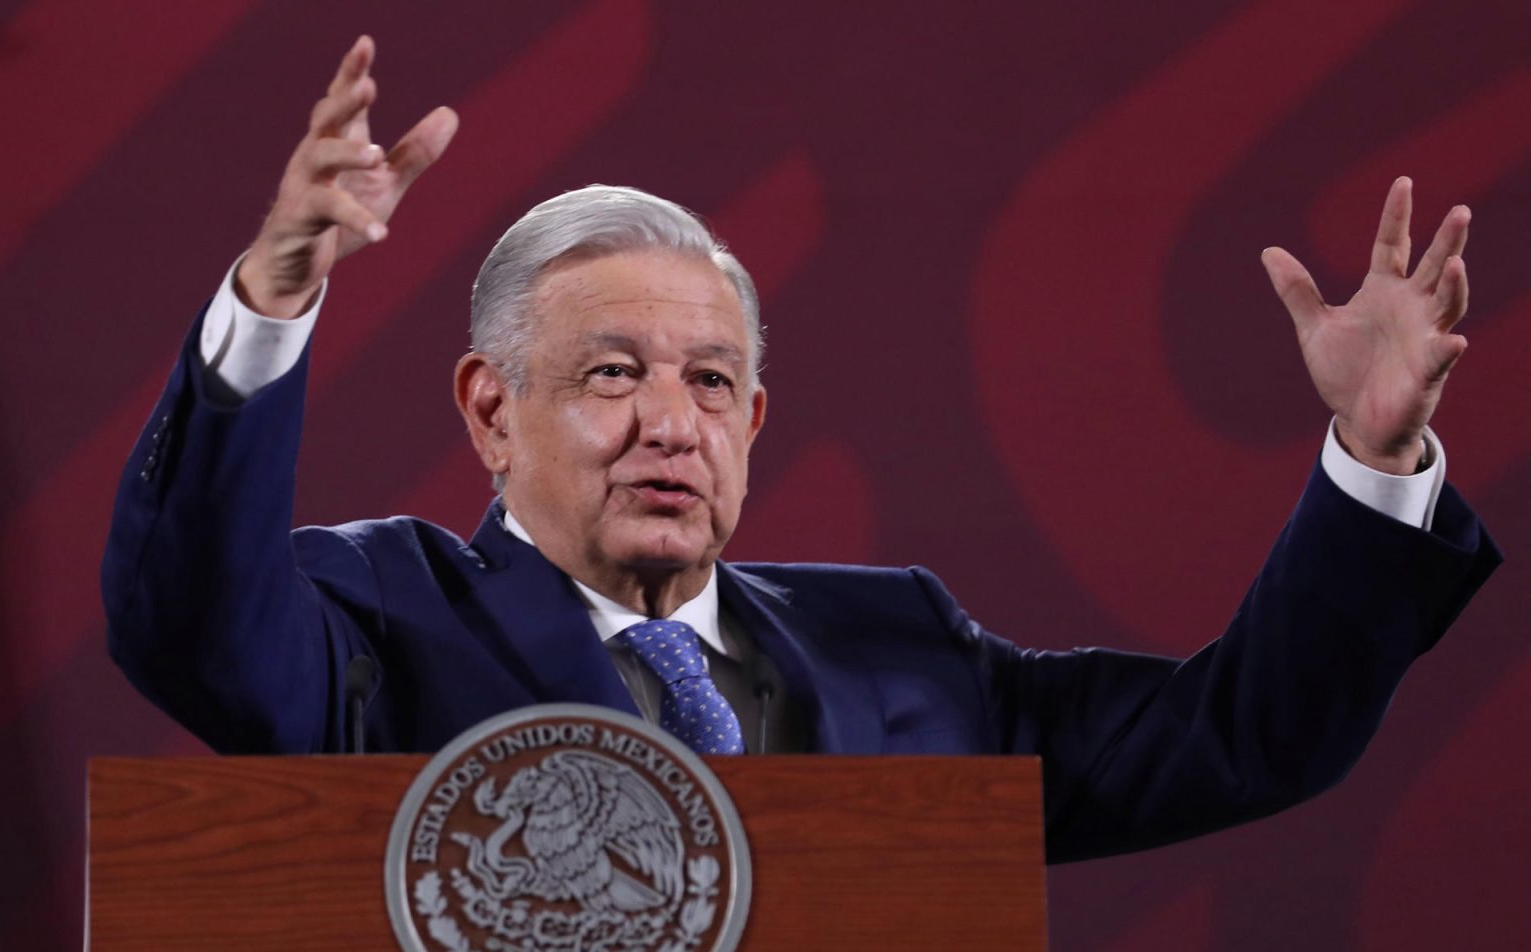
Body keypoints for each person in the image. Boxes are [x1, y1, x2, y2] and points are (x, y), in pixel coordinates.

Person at [102, 37, 1499, 862]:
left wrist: (1373, 457)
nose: (671, 421)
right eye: (610, 375)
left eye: (713, 381)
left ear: (753, 424)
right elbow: (195, 626)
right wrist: (275, 294)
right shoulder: (377, 618)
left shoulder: (907, 648)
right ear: (487, 409)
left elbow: (1242, 738)